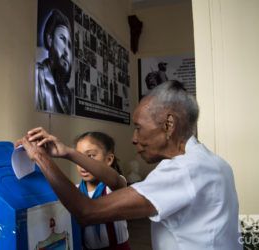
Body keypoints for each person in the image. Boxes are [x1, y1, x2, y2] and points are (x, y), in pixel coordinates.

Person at [17, 80, 241, 250]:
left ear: (169, 125)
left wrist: (40, 158)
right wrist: (67, 152)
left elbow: (87, 212)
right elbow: (121, 187)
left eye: (139, 127)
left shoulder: (183, 171)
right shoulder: (213, 163)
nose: (134, 138)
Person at [73, 132, 130, 249]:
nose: (83, 163)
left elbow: (117, 181)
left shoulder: (114, 187)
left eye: (90, 156)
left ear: (109, 159)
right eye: (78, 157)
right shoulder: (75, 190)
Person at [36, 9, 73, 114]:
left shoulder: (68, 94)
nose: (66, 51)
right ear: (50, 39)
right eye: (62, 39)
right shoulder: (37, 75)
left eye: (69, 46)